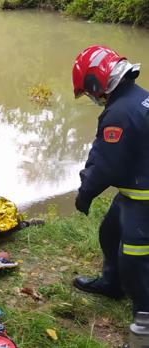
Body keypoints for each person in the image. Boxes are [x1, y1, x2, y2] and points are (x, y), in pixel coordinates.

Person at [71, 45, 149, 316]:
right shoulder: (136, 97)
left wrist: (86, 193)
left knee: (134, 262)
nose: (92, 96)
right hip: (135, 192)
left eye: (88, 90)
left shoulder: (119, 113)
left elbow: (105, 164)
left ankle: (145, 324)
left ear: (96, 81)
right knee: (109, 231)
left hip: (144, 200)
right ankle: (112, 283)